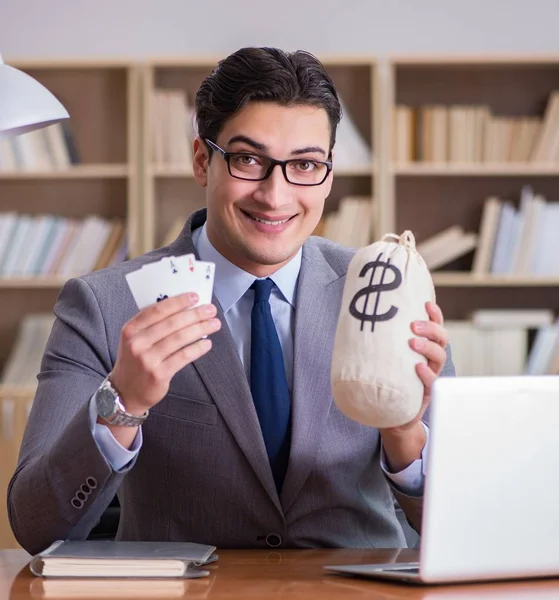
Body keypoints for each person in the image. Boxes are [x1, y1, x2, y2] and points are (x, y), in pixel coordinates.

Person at [8, 47, 454, 555]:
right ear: (202, 160)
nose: (276, 194)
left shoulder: (388, 288)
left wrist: (405, 437)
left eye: (305, 165)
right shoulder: (104, 304)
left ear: (328, 175)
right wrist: (121, 405)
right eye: (248, 159)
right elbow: (35, 524)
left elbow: (462, 526)